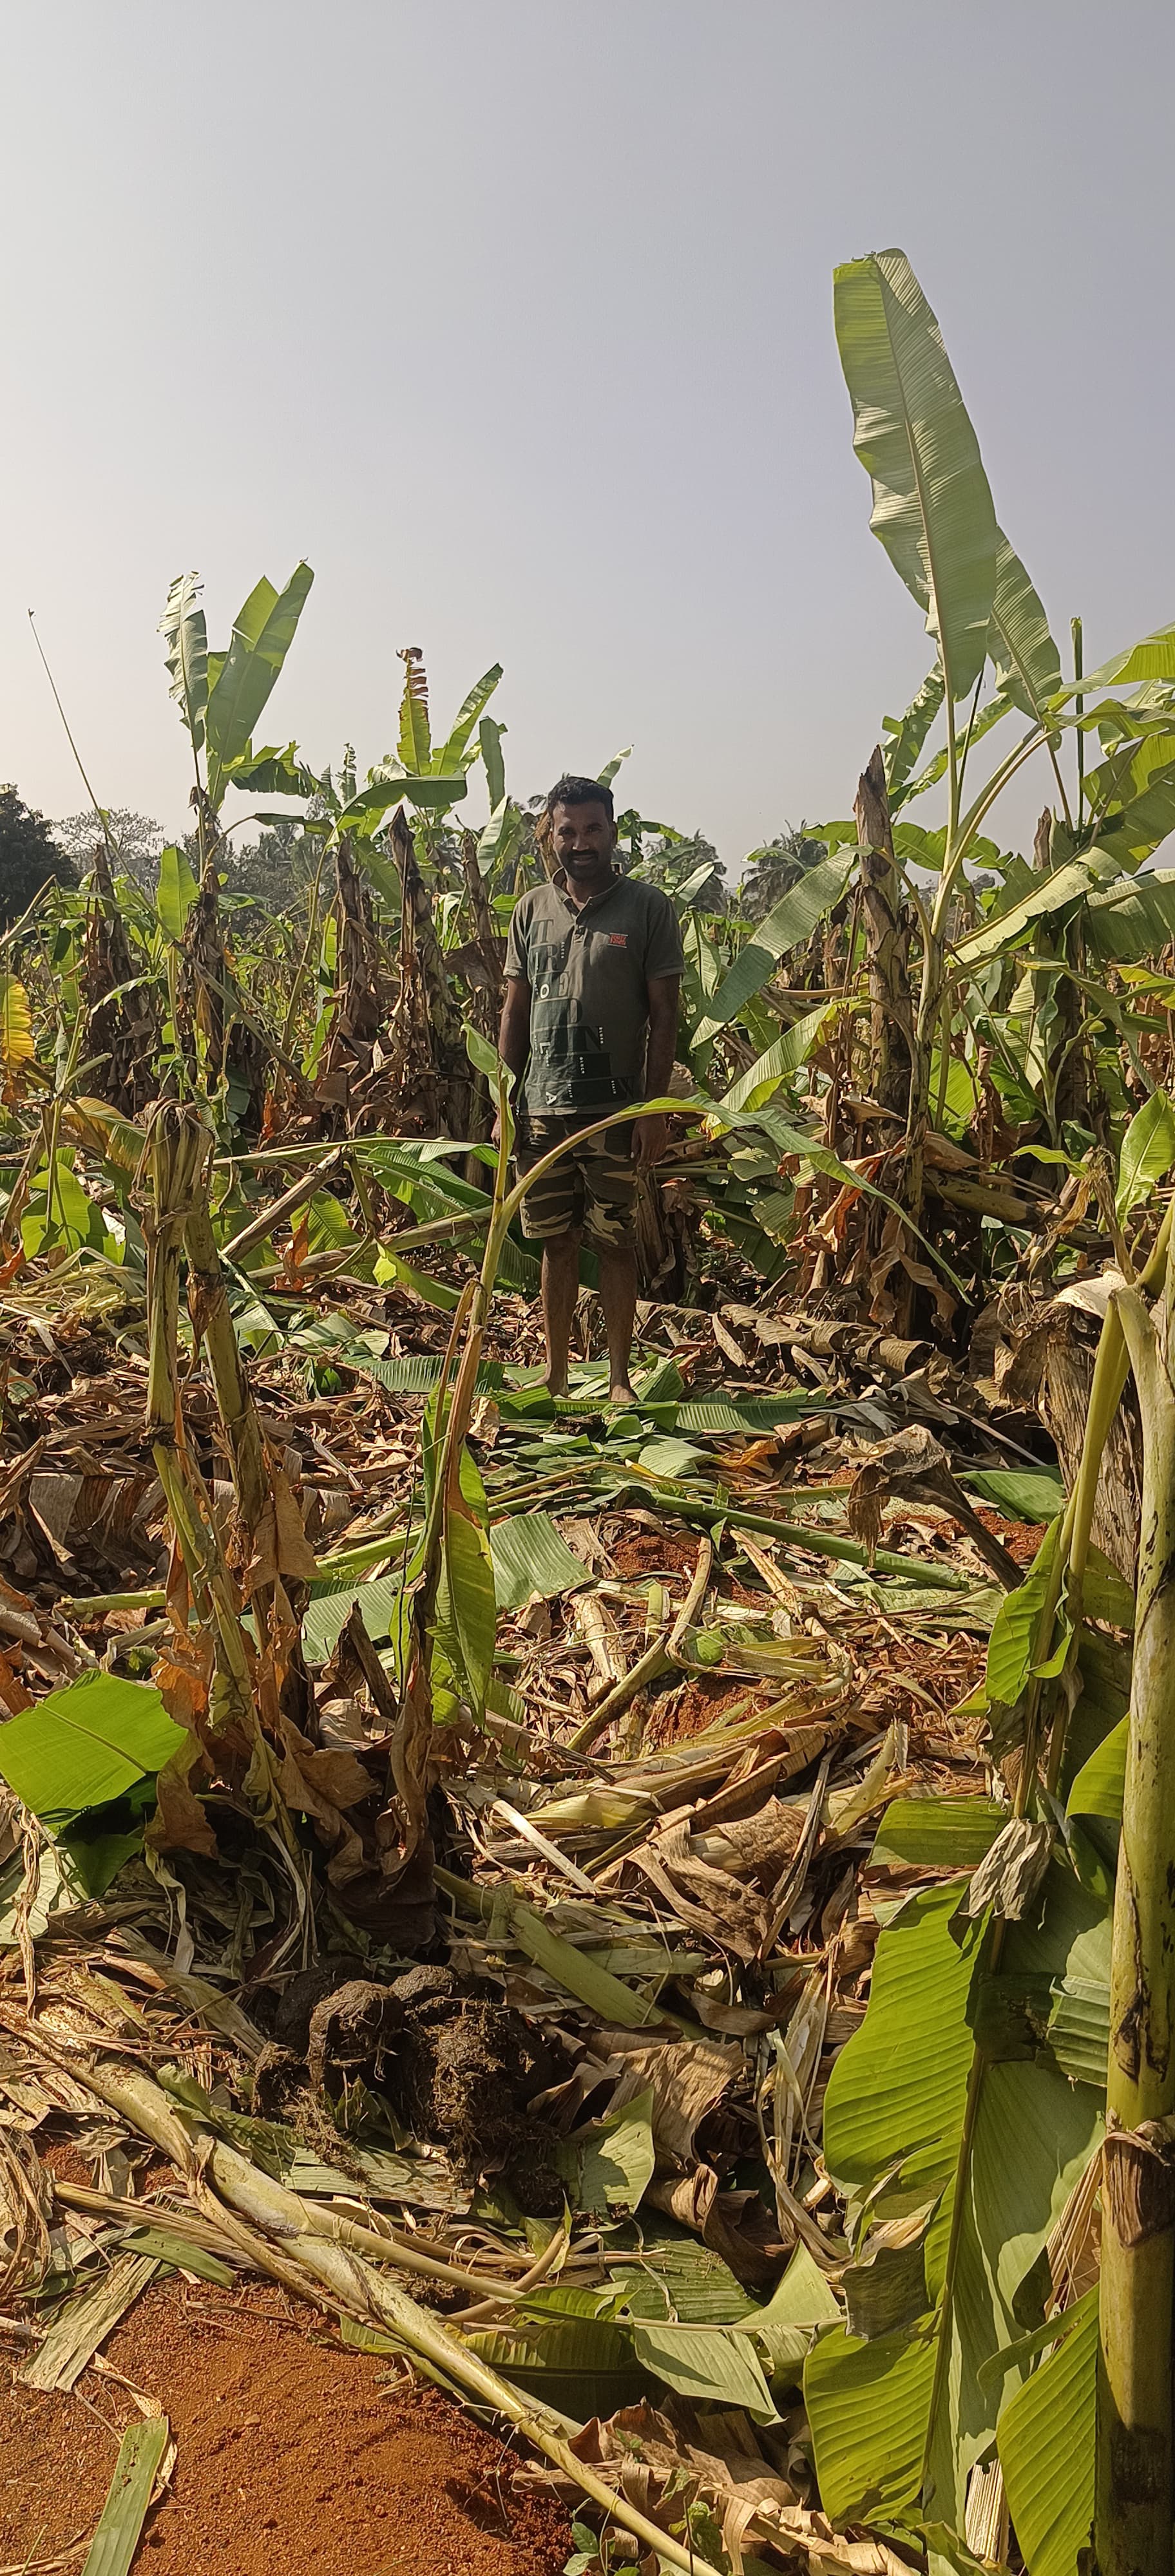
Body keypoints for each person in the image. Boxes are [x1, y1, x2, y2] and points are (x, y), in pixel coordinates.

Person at [497, 773, 684, 1403]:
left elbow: (665, 1016)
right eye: (567, 831)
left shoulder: (647, 908)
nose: (580, 843)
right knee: (556, 1244)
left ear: (613, 831)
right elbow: (515, 1010)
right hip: (541, 1111)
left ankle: (619, 1378)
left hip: (614, 1113)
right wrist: (504, 1099)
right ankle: (554, 1373)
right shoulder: (531, 909)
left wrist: (652, 1111)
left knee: (615, 1243)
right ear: (550, 835)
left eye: (593, 830)